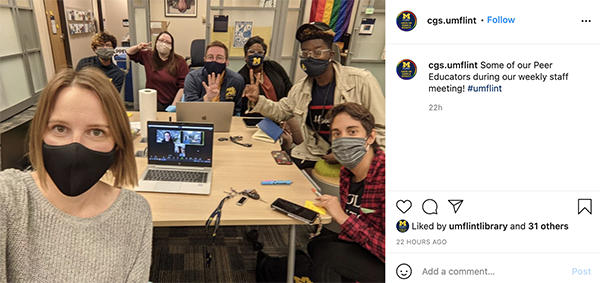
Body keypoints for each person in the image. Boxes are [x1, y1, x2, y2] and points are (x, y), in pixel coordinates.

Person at [0, 68, 152, 282]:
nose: (75, 146)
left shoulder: (135, 213)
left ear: (117, 143)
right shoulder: (9, 198)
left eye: (96, 132)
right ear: (41, 132)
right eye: (60, 128)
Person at [244, 22, 385, 169]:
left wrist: (349, 154)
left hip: (356, 158)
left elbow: (382, 129)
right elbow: (280, 110)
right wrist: (258, 99)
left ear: (331, 54)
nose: (311, 58)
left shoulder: (361, 81)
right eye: (305, 53)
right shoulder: (301, 89)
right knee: (271, 168)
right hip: (313, 153)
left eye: (317, 52)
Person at [308, 102, 385, 283]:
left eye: (352, 132)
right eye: (337, 134)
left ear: (370, 137)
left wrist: (343, 218)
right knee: (316, 245)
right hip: (367, 246)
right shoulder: (347, 173)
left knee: (328, 258)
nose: (343, 139)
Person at [238, 36, 303, 149]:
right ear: (245, 56)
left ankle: (306, 161)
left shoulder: (274, 66)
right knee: (287, 140)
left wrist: (285, 117)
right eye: (251, 52)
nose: (256, 55)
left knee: (301, 139)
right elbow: (247, 110)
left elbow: (289, 89)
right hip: (263, 119)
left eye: (260, 52)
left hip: (284, 112)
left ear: (264, 55)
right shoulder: (241, 77)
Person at [128, 31, 189, 111]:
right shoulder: (149, 56)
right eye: (161, 40)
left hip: (171, 101)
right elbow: (130, 53)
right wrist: (138, 47)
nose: (163, 43)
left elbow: (183, 87)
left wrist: (173, 106)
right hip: (151, 101)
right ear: (156, 42)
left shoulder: (180, 62)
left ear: (171, 46)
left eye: (167, 42)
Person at [184, 41, 245, 116]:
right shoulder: (192, 78)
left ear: (226, 61)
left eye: (219, 57)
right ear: (205, 60)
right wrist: (207, 98)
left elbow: (237, 110)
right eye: (210, 57)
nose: (214, 60)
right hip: (198, 118)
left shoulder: (237, 80)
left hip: (225, 119)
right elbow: (189, 108)